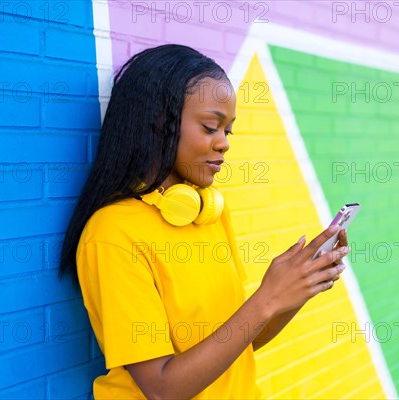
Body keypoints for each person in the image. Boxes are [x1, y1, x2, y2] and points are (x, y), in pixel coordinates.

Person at [59, 44, 350, 399]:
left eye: (228, 131)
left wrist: (296, 289)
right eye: (211, 126)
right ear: (158, 123)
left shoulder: (207, 214)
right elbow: (163, 389)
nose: (224, 143)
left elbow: (240, 341)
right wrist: (268, 297)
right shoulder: (113, 234)